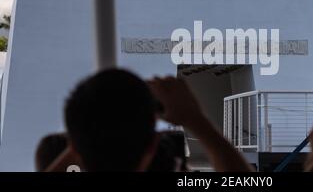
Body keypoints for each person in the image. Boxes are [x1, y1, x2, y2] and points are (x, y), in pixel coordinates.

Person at [46, 69, 252, 172]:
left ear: (72, 146)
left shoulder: (59, 151)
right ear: (152, 145)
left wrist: (84, 133)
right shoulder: (168, 150)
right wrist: (196, 120)